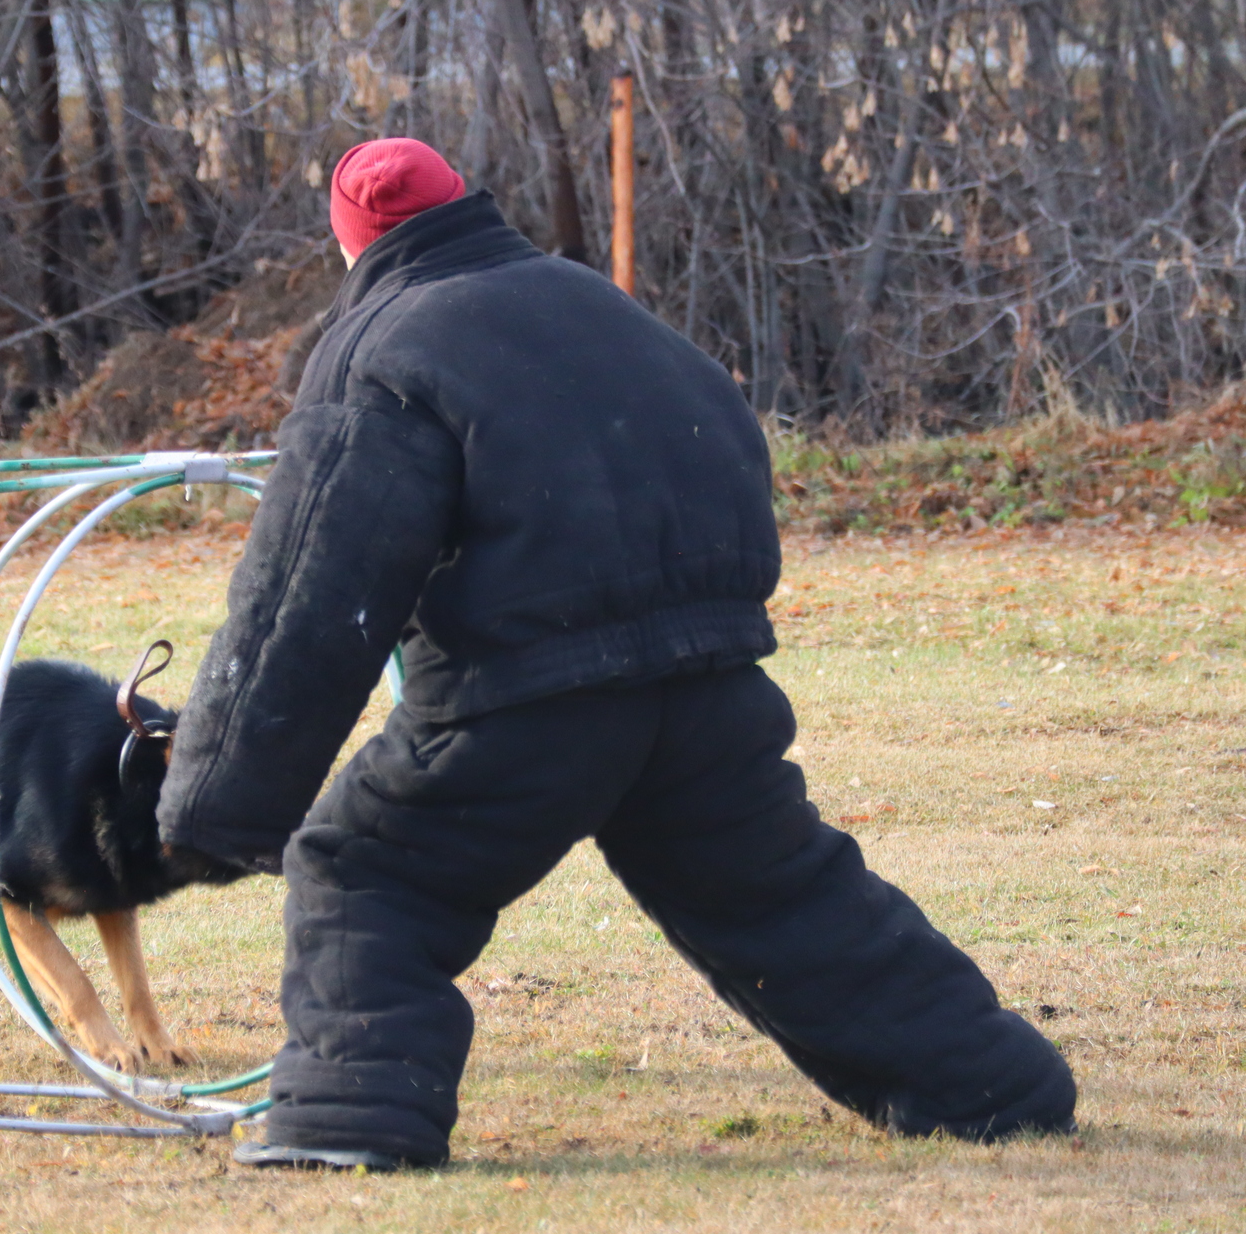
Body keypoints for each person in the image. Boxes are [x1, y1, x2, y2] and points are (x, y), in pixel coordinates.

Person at [157, 137, 1077, 1170]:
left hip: (525, 699)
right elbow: (724, 445)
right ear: (464, 203)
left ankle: (346, 1122)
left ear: (353, 243)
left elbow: (306, 595)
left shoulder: (379, 343)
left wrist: (214, 808)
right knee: (785, 898)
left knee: (366, 871)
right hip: (706, 689)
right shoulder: (596, 304)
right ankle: (996, 1087)